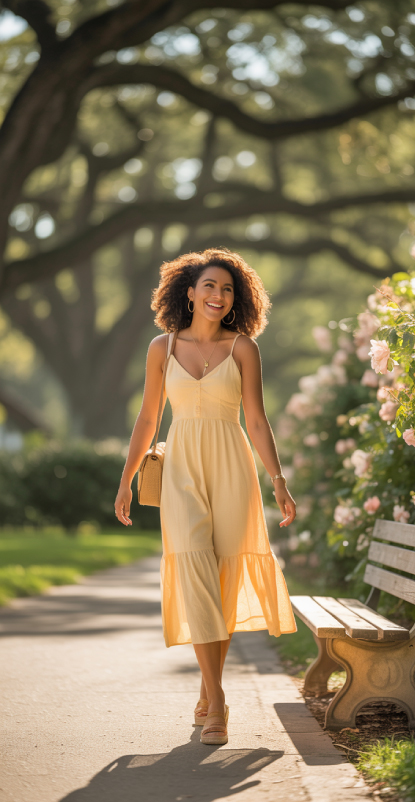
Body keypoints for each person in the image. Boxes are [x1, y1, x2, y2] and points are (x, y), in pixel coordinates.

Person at [115, 248, 297, 746]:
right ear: (189, 292)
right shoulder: (162, 348)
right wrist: (127, 477)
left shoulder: (243, 349)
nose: (218, 296)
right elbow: (149, 419)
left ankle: (205, 687)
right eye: (210, 287)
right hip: (181, 470)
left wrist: (278, 480)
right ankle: (217, 703)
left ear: (236, 300)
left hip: (233, 468)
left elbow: (256, 420)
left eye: (228, 289)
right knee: (193, 568)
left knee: (221, 579)